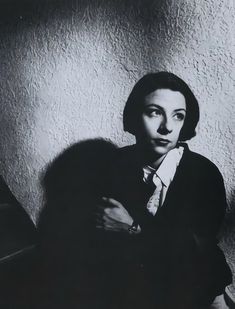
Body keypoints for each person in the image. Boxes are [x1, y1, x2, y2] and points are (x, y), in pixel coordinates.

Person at [94, 72, 232, 309]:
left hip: (199, 289)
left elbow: (195, 252)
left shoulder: (203, 173)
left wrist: (132, 228)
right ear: (135, 116)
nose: (167, 127)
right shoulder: (114, 165)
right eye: (154, 112)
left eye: (178, 116)